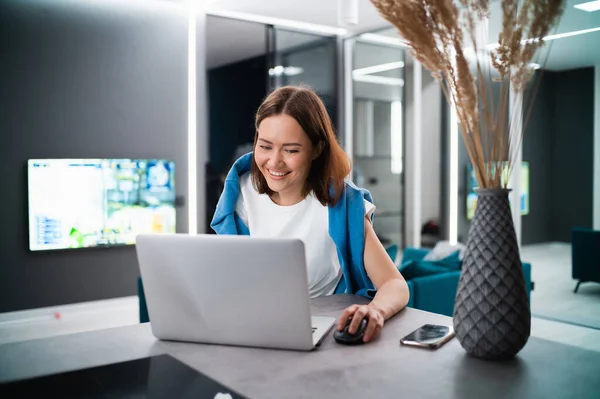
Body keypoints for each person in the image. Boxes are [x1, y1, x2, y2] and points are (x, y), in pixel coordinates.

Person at [211, 85, 410, 343]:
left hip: (321, 329)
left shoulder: (344, 203)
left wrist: (374, 311)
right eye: (265, 146)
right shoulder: (241, 192)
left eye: (291, 150)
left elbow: (395, 284)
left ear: (317, 148)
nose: (274, 162)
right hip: (253, 327)